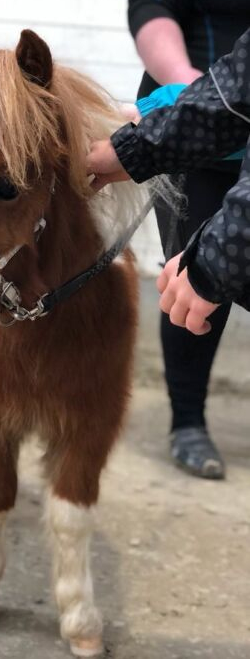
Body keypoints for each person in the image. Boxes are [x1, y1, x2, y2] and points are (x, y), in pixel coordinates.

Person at [87, 28, 250, 477]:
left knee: (188, 289)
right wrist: (137, 136)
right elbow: (238, 93)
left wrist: (218, 256)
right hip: (192, 111)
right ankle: (188, 420)